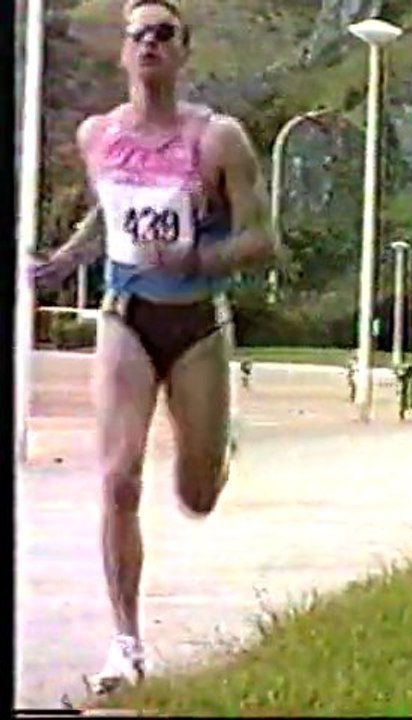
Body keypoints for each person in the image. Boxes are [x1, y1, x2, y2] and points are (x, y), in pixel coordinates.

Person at [31, 0, 278, 695]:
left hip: (197, 321)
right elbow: (108, 211)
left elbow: (263, 238)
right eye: (136, 34)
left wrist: (196, 260)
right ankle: (126, 642)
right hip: (125, 317)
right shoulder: (97, 136)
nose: (148, 44)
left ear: (182, 51)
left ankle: (214, 448)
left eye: (162, 33)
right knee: (118, 478)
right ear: (122, 53)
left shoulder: (218, 139)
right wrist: (64, 260)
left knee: (196, 496)